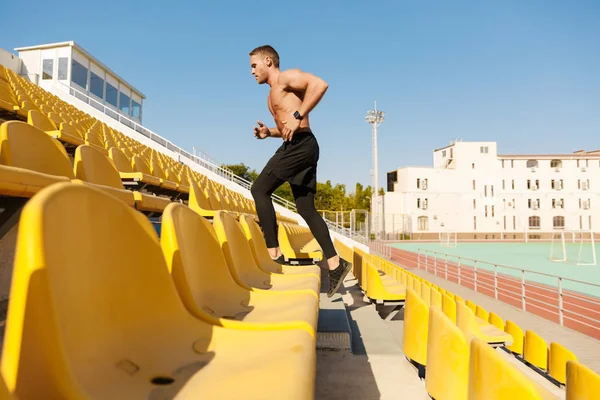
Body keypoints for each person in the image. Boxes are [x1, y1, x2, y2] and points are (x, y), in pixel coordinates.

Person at [248, 44, 351, 298]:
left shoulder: (285, 78)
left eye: (254, 65)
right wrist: (267, 133)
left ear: (268, 61)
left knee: (259, 189)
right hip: (299, 144)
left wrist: (298, 113)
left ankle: (274, 254)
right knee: (305, 208)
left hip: (300, 145)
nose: (252, 72)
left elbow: (320, 84)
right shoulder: (271, 94)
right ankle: (336, 263)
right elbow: (287, 127)